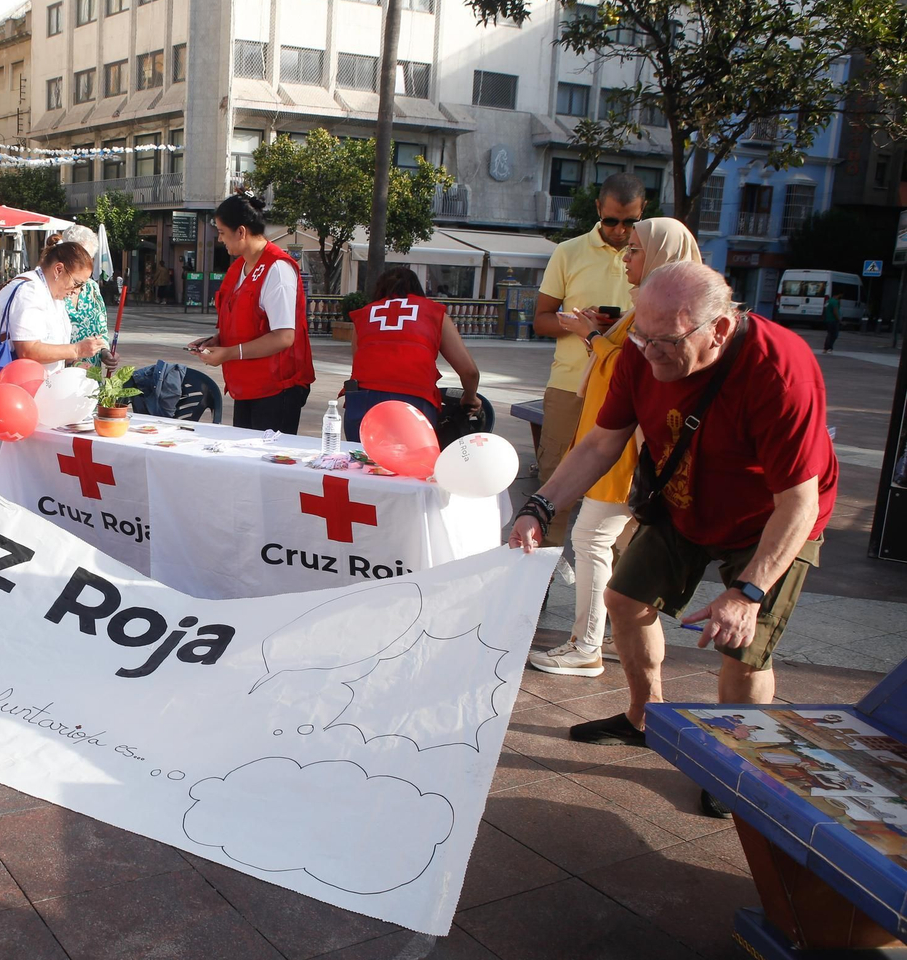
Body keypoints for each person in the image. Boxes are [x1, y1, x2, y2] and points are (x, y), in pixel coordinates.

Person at [510, 262, 838, 818]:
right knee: (623, 598)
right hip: (686, 499)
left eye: (666, 341)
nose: (649, 351)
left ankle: (739, 766)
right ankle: (645, 717)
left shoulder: (778, 369)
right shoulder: (640, 350)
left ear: (720, 330)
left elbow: (798, 503)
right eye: (641, 334)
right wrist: (541, 504)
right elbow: (600, 444)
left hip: (772, 519)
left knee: (744, 647)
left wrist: (748, 594)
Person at [532, 218, 703, 677]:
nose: (625, 259)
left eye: (635, 250)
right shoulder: (644, 308)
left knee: (591, 538)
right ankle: (605, 637)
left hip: (628, 449)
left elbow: (633, 370)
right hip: (617, 442)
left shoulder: (666, 315)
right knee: (617, 546)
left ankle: (585, 645)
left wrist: (589, 335)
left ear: (663, 256)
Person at [532, 173, 646, 551]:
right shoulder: (569, 252)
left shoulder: (649, 257)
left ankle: (615, 597)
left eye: (629, 222)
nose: (619, 230)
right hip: (570, 387)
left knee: (619, 497)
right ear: (598, 210)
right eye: (612, 220)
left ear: (643, 213)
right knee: (555, 486)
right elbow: (541, 319)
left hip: (625, 390)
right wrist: (580, 325)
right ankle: (538, 585)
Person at [189, 193, 316, 434]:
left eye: (222, 232)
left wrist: (229, 353)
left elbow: (284, 337)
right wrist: (217, 341)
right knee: (245, 463)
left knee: (266, 466)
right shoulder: (240, 266)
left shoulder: (277, 268)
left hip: (277, 387)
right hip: (247, 384)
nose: (219, 239)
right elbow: (245, 322)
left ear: (241, 232)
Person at [341, 266, 480, 439]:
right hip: (415, 400)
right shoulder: (433, 312)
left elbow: (359, 361)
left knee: (362, 463)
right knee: (412, 463)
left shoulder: (365, 314)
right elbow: (470, 372)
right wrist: (470, 397)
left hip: (364, 400)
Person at [0, 240, 104, 375]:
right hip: (11, 385)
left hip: (31, 385)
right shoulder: (30, 291)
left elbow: (52, 344)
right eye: (76, 283)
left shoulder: (51, 293)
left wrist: (73, 363)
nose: (77, 291)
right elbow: (27, 350)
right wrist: (77, 350)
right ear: (58, 270)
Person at [60, 224, 111, 367]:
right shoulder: (54, 288)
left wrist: (105, 352)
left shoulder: (92, 287)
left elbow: (101, 330)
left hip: (90, 372)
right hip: (61, 372)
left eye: (88, 258)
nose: (85, 263)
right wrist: (73, 361)